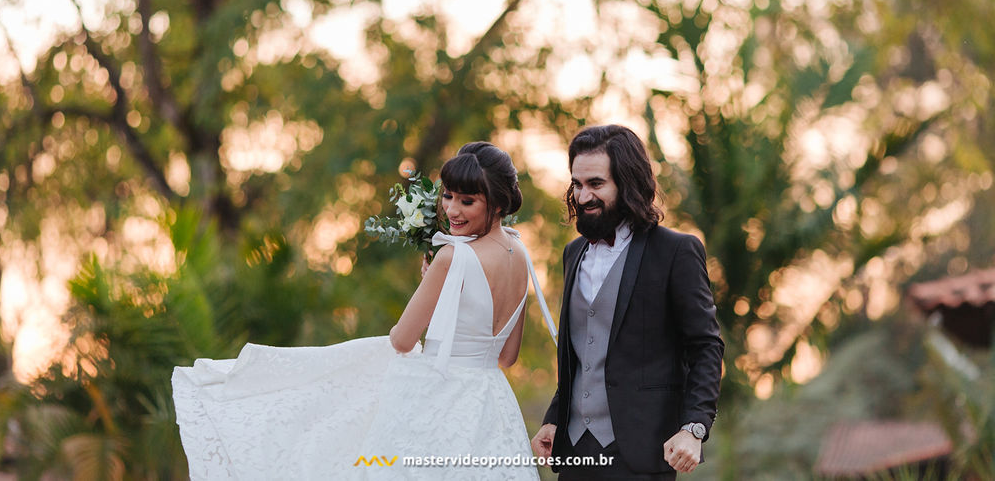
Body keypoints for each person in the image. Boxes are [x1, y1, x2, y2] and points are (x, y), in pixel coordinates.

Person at [173, 142, 556, 479]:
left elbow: (403, 339)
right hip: (492, 405)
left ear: (499, 203)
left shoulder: (452, 257)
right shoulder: (520, 253)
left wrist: (432, 283)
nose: (452, 210)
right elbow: (507, 357)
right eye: (448, 196)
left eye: (467, 201)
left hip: (443, 399)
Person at [530, 125, 723, 479]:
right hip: (575, 452)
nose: (583, 196)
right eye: (577, 184)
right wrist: (555, 419)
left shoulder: (676, 251)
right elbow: (580, 354)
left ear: (628, 182)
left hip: (642, 450)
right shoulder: (573, 254)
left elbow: (706, 346)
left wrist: (693, 427)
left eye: (596, 184)